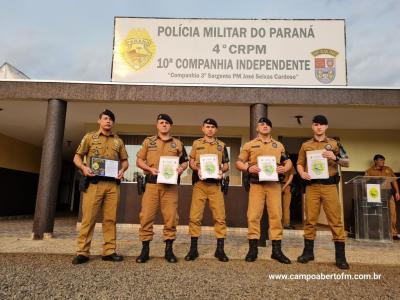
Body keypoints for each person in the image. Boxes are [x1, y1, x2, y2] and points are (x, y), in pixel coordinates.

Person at [72, 109, 129, 265]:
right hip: (94, 184)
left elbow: (125, 161)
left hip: (112, 185)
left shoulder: (118, 141)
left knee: (110, 219)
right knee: (88, 219)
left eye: (111, 119)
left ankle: (109, 251)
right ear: (99, 121)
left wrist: (122, 170)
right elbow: (77, 157)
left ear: (113, 122)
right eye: (105, 118)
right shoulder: (89, 137)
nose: (108, 121)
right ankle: (82, 252)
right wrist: (83, 168)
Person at [296, 115, 350, 269]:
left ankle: (340, 257)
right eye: (316, 124)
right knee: (310, 220)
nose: (319, 127)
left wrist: (335, 157)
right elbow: (300, 163)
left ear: (326, 127)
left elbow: (347, 161)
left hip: (329, 186)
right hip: (312, 186)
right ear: (312, 127)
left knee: (335, 220)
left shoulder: (334, 143)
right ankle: (308, 253)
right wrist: (301, 173)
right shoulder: (305, 145)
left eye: (322, 125)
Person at [236, 117, 292, 264]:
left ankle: (276, 251)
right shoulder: (249, 145)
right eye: (262, 124)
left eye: (267, 124)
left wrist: (284, 168)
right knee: (253, 216)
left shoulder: (278, 145)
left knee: (276, 216)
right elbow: (238, 162)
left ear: (270, 128)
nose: (265, 126)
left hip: (274, 185)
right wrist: (248, 168)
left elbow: (288, 162)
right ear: (257, 128)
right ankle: (253, 250)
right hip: (256, 184)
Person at [135, 114, 188, 263]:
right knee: (146, 217)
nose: (164, 125)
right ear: (157, 125)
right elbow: (139, 160)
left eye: (167, 123)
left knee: (171, 218)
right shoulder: (148, 141)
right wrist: (149, 169)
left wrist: (181, 168)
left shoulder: (178, 143)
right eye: (161, 122)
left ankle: (169, 250)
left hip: (170, 187)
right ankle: (145, 250)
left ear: (170, 126)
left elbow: (185, 162)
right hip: (152, 184)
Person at [184, 118, 230, 262]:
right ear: (202, 129)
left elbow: (226, 164)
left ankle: (220, 249)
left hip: (215, 185)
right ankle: (193, 249)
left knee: (220, 217)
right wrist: (197, 169)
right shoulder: (196, 144)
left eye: (212, 127)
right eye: (207, 127)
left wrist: (221, 170)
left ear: (216, 130)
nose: (210, 129)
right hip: (200, 184)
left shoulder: (221, 145)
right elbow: (191, 161)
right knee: (195, 216)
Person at [365, 154, 400, 240]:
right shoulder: (369, 171)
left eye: (383, 160)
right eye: (380, 160)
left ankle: (393, 233)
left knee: (392, 213)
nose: (382, 162)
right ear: (376, 161)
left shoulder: (388, 169)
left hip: (389, 193)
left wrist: (397, 192)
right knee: (378, 214)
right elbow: (365, 183)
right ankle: (377, 233)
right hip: (377, 195)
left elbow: (394, 180)